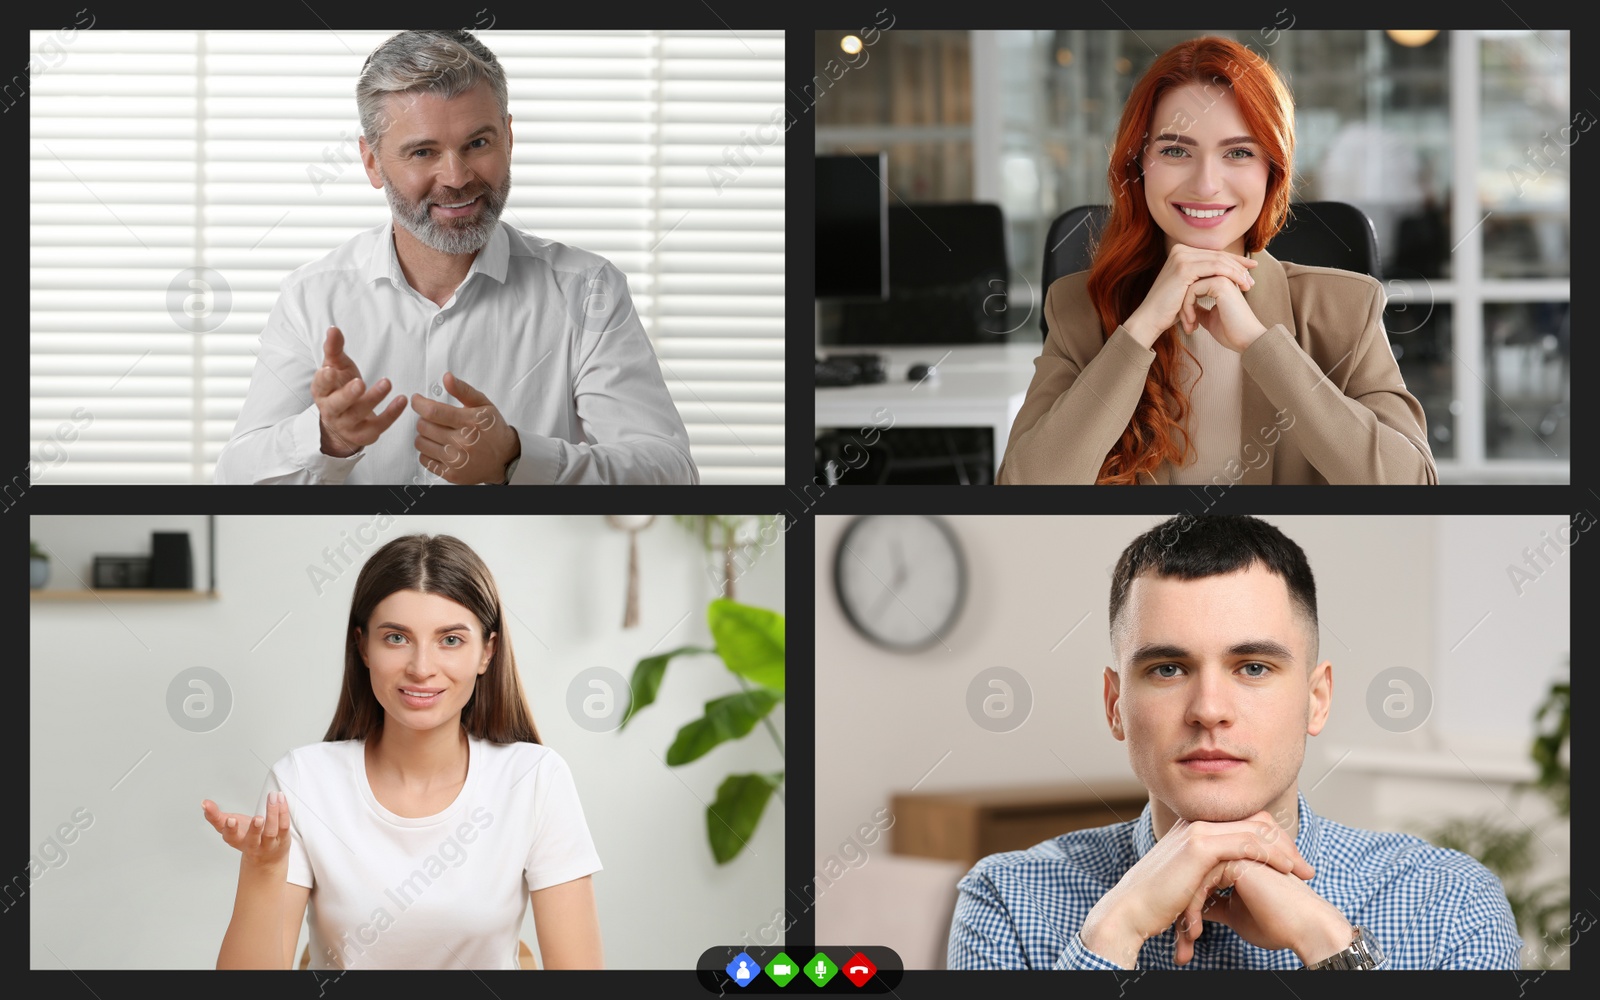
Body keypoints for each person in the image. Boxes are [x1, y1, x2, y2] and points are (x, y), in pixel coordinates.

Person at [948, 515, 1522, 969]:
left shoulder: (1449, 903)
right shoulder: (1007, 899)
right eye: (1169, 669)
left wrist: (1327, 943)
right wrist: (1115, 932)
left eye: (1252, 668)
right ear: (1115, 704)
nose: (1209, 711)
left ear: (1316, 699)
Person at [213, 30, 698, 485]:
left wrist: (516, 458)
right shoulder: (311, 298)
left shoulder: (589, 290)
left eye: (478, 143)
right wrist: (328, 438)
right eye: (423, 152)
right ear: (371, 162)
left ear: (509, 138)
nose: (457, 177)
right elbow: (235, 478)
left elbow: (670, 473)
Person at [997, 37, 1435, 485]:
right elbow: (1022, 490)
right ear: (1139, 165)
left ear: (1273, 170)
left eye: (1239, 152)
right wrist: (1139, 331)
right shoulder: (1077, 308)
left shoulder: (1347, 307)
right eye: (1175, 150)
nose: (1206, 184)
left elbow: (1412, 489)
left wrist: (1262, 347)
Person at [201, 534, 604, 969]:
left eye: (450, 640)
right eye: (396, 638)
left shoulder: (535, 779)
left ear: (487, 651)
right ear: (363, 646)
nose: (421, 668)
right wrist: (263, 871)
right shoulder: (303, 780)